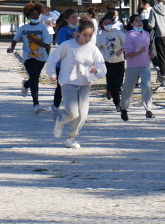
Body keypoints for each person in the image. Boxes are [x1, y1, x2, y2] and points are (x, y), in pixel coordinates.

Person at [46, 20, 106, 149]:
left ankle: (71, 138)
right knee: (73, 113)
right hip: (69, 82)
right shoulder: (67, 45)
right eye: (85, 35)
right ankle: (60, 121)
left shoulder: (93, 48)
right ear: (78, 33)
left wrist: (97, 71)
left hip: (85, 84)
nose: (87, 38)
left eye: (90, 36)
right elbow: (52, 59)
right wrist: (51, 74)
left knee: (83, 115)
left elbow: (102, 68)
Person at [9, 2, 53, 113]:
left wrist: (34, 40)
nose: (35, 16)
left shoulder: (43, 28)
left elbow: (46, 44)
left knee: (34, 77)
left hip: (41, 56)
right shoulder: (23, 28)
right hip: (28, 56)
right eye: (32, 15)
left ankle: (26, 84)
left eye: (37, 14)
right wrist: (12, 48)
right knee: (35, 77)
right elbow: (15, 39)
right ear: (28, 16)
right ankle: (36, 104)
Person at [120, 12, 155, 121]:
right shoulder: (130, 35)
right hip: (133, 66)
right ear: (131, 23)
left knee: (147, 87)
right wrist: (139, 52)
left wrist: (150, 53)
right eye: (136, 21)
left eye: (140, 20)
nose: (139, 23)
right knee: (128, 88)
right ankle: (124, 108)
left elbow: (148, 48)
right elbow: (128, 54)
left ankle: (148, 109)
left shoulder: (146, 34)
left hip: (145, 65)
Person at [51, 10, 80, 115]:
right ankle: (55, 105)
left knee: (76, 85)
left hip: (76, 63)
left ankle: (75, 108)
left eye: (76, 17)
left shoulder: (79, 29)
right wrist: (72, 37)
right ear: (67, 19)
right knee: (62, 86)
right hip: (63, 63)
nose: (76, 19)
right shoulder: (63, 30)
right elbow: (61, 45)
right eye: (73, 17)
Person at [96, 13, 127, 111]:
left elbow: (126, 43)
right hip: (108, 62)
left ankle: (109, 89)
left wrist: (122, 50)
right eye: (106, 23)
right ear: (102, 25)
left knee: (119, 82)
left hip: (119, 60)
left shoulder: (118, 33)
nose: (108, 25)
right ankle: (117, 103)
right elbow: (96, 48)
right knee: (114, 84)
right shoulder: (99, 36)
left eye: (109, 23)